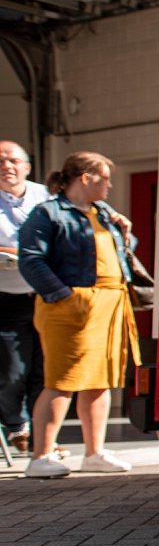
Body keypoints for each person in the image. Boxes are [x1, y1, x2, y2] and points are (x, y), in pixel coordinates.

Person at [17, 151, 141, 478]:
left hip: (110, 304)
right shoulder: (48, 213)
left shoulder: (104, 212)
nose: (110, 185)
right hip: (72, 305)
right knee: (62, 379)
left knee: (101, 380)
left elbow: (123, 252)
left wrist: (125, 231)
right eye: (104, 178)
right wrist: (65, 296)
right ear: (86, 178)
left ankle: (94, 453)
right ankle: (41, 455)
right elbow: (31, 260)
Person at [0, 140, 47, 455]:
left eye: (13, 160)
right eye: (1, 161)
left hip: (45, 296)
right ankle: (16, 425)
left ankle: (42, 439)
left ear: (27, 167)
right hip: (6, 297)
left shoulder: (45, 197)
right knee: (12, 370)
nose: (7, 166)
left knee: (45, 370)